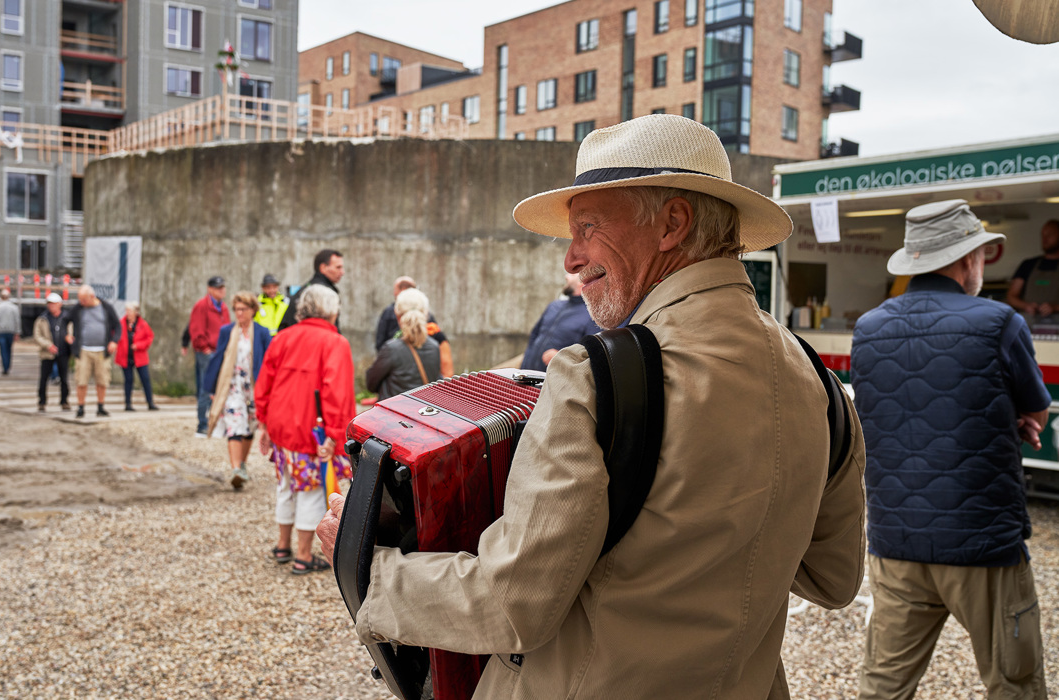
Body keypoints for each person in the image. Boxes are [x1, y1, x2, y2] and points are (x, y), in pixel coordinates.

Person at [316, 114, 866, 698]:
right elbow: (834, 578)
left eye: (586, 228)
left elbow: (511, 604)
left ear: (672, 224)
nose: (570, 259)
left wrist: (364, 565)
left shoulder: (599, 378)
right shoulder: (819, 382)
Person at [851, 200, 1049, 699]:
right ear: (967, 260)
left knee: (883, 686)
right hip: (983, 543)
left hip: (895, 542)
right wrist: (1016, 419)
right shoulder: (1000, 322)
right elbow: (1037, 410)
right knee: (1014, 682)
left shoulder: (868, 329)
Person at [257, 284, 355, 575]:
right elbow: (337, 395)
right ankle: (303, 556)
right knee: (312, 493)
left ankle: (283, 545)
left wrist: (263, 423)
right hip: (313, 431)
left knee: (286, 486)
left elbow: (264, 384)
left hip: (281, 427)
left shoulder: (283, 337)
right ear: (331, 309)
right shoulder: (335, 342)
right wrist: (337, 436)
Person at [203, 292, 271, 490]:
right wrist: (212, 387)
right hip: (231, 386)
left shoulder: (262, 332)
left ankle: (241, 464)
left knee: (249, 426)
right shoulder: (227, 331)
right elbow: (218, 359)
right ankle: (235, 469)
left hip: (254, 386)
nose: (239, 313)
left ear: (252, 310)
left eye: (243, 309)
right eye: (236, 309)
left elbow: (268, 362)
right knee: (234, 424)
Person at [366, 288, 442, 400]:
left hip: (395, 413)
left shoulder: (391, 348)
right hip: (422, 413)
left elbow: (371, 384)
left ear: (398, 316)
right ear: (426, 315)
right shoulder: (435, 347)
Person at [520, 272, 602, 371]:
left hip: (552, 382)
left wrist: (561, 358)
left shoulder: (592, 316)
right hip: (527, 375)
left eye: (571, 275)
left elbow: (589, 357)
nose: (566, 276)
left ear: (582, 281)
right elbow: (534, 336)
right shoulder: (554, 306)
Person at [374, 276, 454, 377]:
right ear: (425, 313)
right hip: (427, 392)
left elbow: (379, 343)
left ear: (397, 314)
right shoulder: (436, 340)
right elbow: (447, 374)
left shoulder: (391, 347)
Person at [64, 285, 120, 418]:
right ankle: (81, 407)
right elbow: (64, 320)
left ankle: (100, 406)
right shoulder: (78, 309)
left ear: (92, 297)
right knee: (81, 380)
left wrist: (114, 341)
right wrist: (66, 335)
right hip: (84, 350)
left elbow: (117, 326)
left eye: (84, 300)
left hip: (102, 351)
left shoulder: (106, 307)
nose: (81, 302)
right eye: (80, 300)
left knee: (102, 380)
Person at [188, 276, 230, 437]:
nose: (222, 290)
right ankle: (202, 424)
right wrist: (203, 347)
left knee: (221, 388)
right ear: (210, 289)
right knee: (206, 388)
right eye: (218, 288)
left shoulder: (223, 308)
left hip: (221, 352)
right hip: (207, 353)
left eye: (223, 287)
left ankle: (217, 422)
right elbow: (196, 329)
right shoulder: (202, 306)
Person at [1006, 218, 1059, 325]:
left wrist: (1054, 307)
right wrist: (1026, 306)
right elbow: (1011, 296)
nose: (1045, 239)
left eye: (1050, 235)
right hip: (1029, 326)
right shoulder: (1028, 265)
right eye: (1043, 235)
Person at [278, 249, 344, 331]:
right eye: (338, 267)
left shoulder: (303, 291)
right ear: (323, 268)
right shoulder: (326, 295)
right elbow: (331, 330)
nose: (342, 272)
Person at [115, 301, 158, 412]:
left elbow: (149, 338)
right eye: (127, 311)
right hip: (125, 357)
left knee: (145, 379)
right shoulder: (121, 323)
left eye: (130, 311)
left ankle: (150, 402)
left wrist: (138, 345)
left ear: (136, 312)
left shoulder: (142, 324)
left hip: (139, 357)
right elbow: (115, 336)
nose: (127, 313)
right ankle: (128, 404)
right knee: (128, 380)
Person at [33, 292, 72, 412]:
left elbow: (72, 331)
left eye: (54, 304)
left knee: (64, 378)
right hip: (47, 353)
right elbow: (37, 335)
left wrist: (69, 339)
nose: (51, 306)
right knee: (44, 378)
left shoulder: (66, 318)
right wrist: (48, 345)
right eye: (49, 304)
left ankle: (64, 400)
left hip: (63, 352)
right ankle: (42, 401)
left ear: (60, 304)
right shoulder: (42, 319)